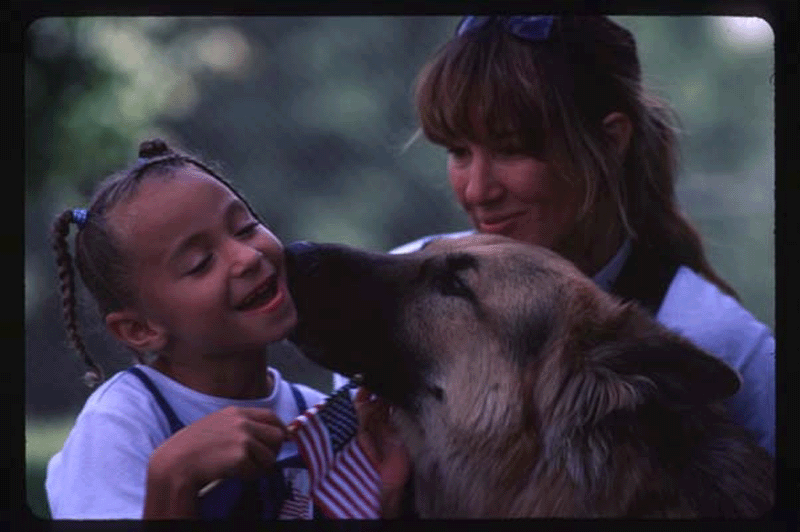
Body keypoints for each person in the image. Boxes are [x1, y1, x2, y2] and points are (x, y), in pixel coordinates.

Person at [383, 15, 774, 456]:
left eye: (511, 149)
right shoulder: (399, 297)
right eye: (458, 152)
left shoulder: (721, 345)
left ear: (612, 139)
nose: (476, 190)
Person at [45, 139, 400, 519]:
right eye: (200, 263)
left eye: (245, 228)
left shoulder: (316, 415)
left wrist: (391, 485)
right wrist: (173, 477)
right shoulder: (121, 425)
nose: (248, 257)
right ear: (139, 329)